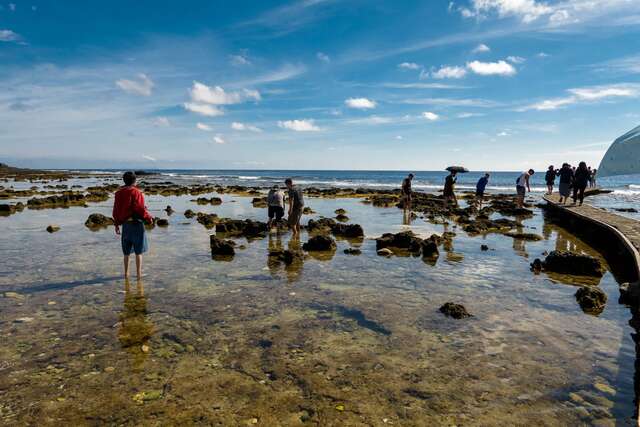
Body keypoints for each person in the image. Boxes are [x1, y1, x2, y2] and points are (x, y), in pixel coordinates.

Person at [112, 171, 154, 280]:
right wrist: (148, 218)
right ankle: (139, 275)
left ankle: (126, 274)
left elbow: (116, 210)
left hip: (126, 225)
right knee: (138, 252)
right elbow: (140, 209)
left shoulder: (118, 193)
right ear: (135, 181)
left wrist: (116, 224)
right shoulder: (136, 192)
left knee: (126, 252)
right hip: (136, 225)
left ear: (124, 180)